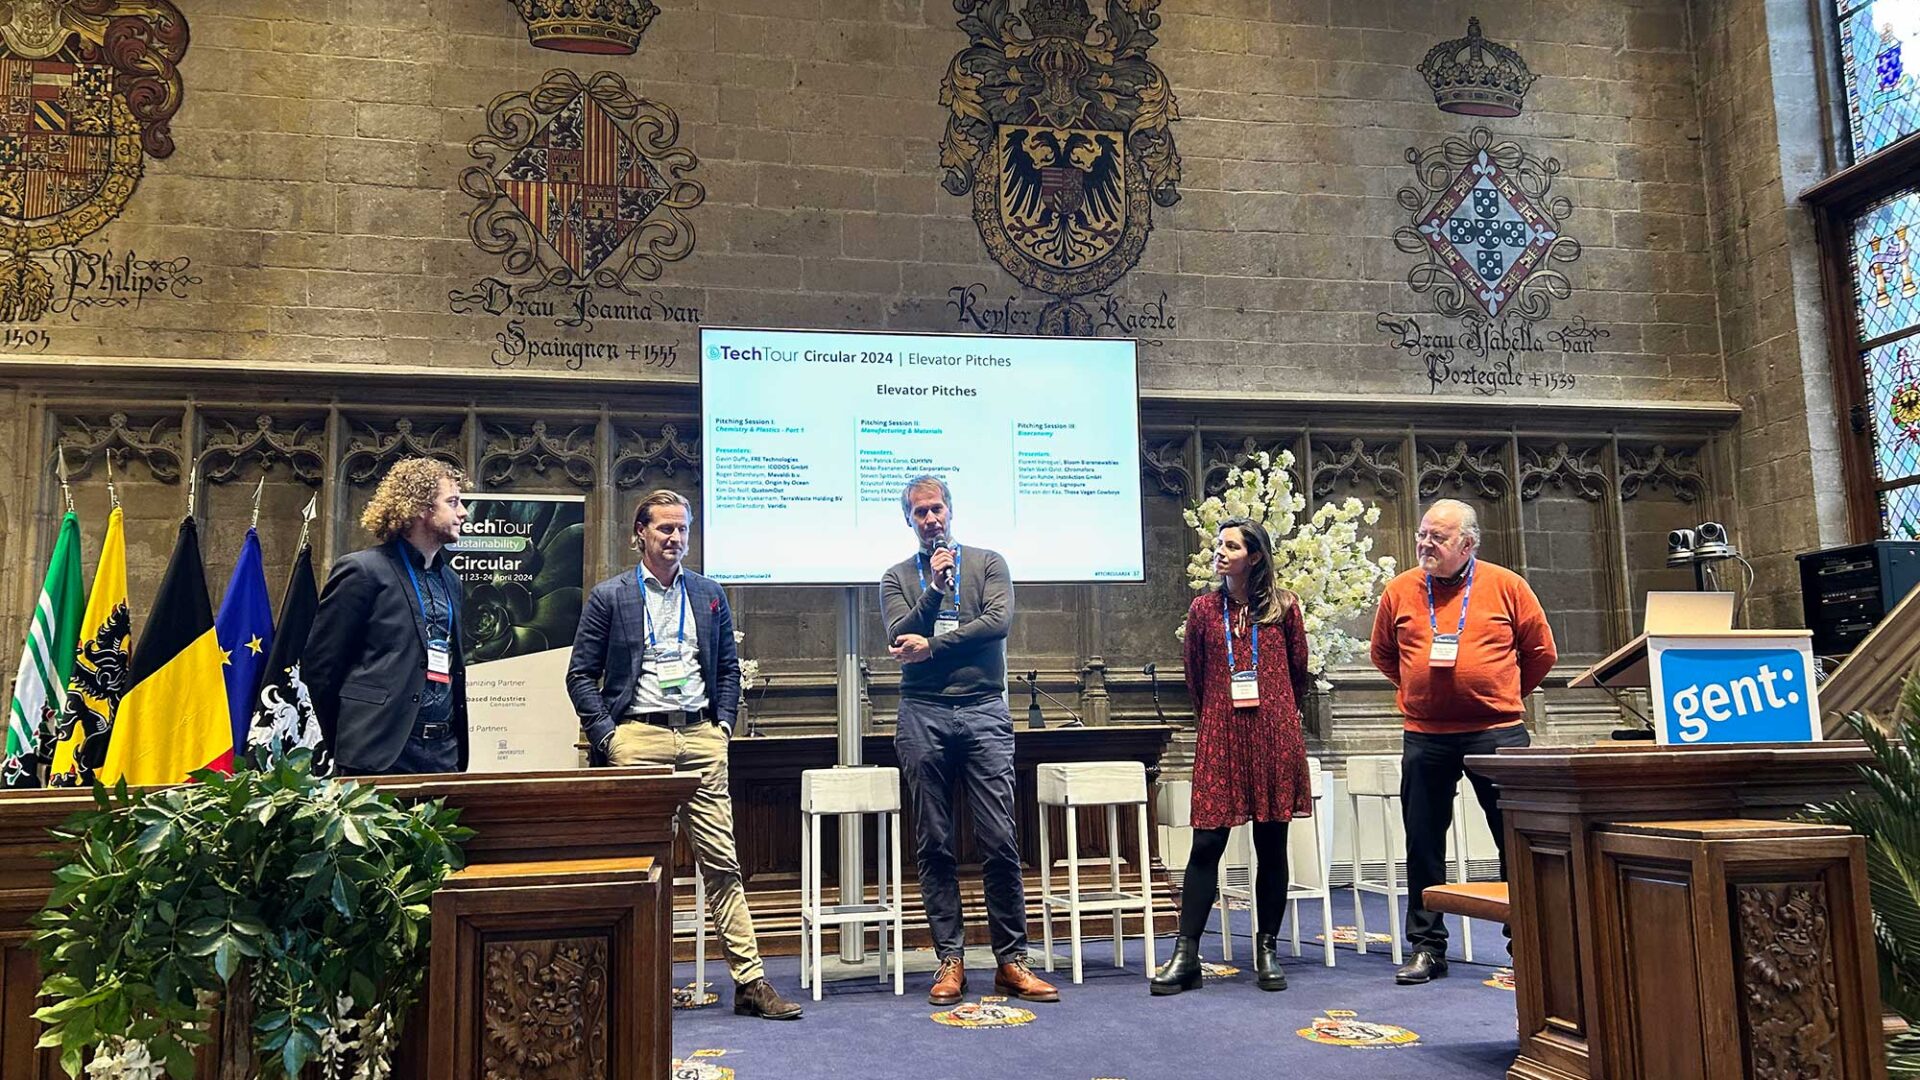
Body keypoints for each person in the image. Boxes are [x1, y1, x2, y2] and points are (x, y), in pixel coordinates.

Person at [565, 489, 803, 1021]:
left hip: (700, 738)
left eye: (682, 530)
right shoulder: (610, 597)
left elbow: (727, 669)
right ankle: (627, 982)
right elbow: (580, 675)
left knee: (723, 862)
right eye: (665, 529)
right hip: (639, 739)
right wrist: (610, 738)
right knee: (635, 865)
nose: (675, 538)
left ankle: (750, 982)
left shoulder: (709, 594)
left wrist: (723, 726)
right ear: (640, 534)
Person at [882, 475, 1059, 1006]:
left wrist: (933, 646)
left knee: (999, 838)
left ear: (951, 511)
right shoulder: (896, 576)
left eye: (937, 509)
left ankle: (1012, 961)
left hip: (984, 709)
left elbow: (996, 623)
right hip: (923, 712)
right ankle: (950, 960)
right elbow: (899, 634)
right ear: (908, 520)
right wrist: (935, 591)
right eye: (920, 512)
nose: (930, 519)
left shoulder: (988, 563)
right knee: (934, 840)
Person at [1369, 498, 1557, 984]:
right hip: (1426, 735)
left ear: (1468, 543)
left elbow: (1541, 652)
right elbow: (1383, 654)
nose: (1425, 544)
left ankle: (1526, 946)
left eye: (1438, 537)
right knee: (1423, 843)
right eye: (1422, 535)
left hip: (1497, 733)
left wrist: (1498, 694)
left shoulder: (1507, 585)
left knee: (1515, 839)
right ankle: (1427, 947)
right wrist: (1422, 693)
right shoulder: (1400, 590)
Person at [1150, 517, 1313, 996]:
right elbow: (1195, 675)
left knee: (1271, 844)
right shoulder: (1204, 609)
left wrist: (1276, 712)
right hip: (1221, 734)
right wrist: (1219, 715)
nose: (1220, 552)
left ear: (1255, 556)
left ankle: (1267, 948)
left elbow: (1298, 671)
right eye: (1219, 544)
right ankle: (1186, 954)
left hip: (1274, 735)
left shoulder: (1285, 607)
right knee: (1205, 845)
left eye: (1232, 546)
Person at [305, 457, 472, 775]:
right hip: (379, 753)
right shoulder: (363, 571)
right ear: (420, 508)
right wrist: (351, 739)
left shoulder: (450, 580)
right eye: (452, 502)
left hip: (443, 753)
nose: (463, 512)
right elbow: (320, 668)